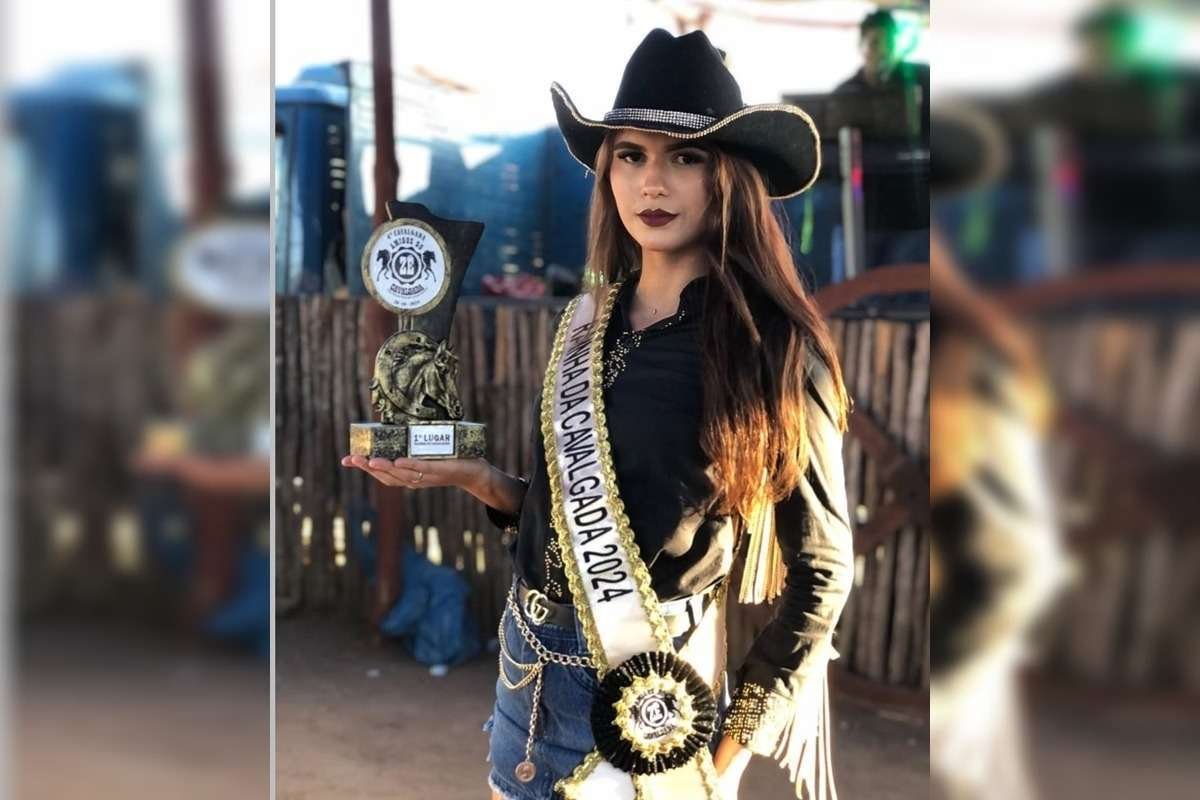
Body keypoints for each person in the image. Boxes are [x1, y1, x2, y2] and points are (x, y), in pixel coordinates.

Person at [344, 29, 853, 800]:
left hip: (652, 703)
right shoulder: (586, 320)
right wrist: (478, 478)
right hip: (524, 678)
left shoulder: (771, 346)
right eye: (631, 155)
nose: (653, 182)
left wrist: (730, 751)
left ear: (728, 175)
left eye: (685, 157)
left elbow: (823, 574)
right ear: (607, 171)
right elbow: (563, 523)